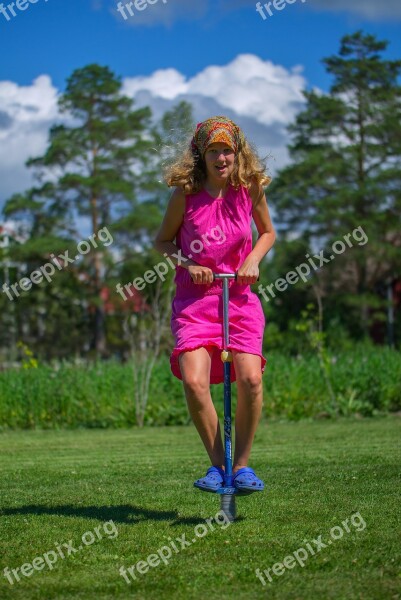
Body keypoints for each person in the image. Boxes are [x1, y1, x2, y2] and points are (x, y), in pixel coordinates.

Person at [153, 116, 276, 492]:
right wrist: (189, 265)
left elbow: (268, 233)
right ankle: (217, 467)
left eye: (227, 150)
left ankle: (241, 467)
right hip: (196, 302)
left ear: (237, 153)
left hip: (238, 299)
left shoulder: (250, 189)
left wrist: (253, 258)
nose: (221, 158)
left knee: (252, 380)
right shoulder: (185, 196)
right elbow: (162, 242)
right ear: (201, 155)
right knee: (193, 380)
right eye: (213, 151)